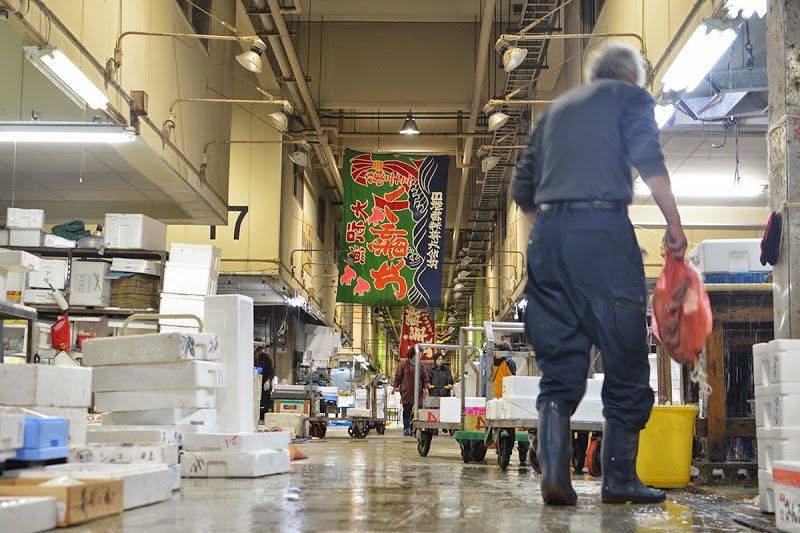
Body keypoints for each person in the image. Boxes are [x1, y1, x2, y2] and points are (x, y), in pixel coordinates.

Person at [511, 43, 687, 506]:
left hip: (547, 238)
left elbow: (522, 190)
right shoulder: (629, 99)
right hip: (604, 235)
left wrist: (554, 229)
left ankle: (555, 475)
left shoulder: (551, 115)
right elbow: (650, 162)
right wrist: (674, 224)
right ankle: (618, 480)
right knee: (626, 360)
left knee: (561, 365)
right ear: (630, 77)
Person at [392, 346, 429, 436]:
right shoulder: (404, 364)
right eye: (419, 354)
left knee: (416, 412)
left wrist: (426, 388)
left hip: (418, 393)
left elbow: (425, 378)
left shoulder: (421, 365)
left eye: (421, 354)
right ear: (413, 354)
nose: (420, 356)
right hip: (406, 392)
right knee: (407, 410)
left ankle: (413, 428)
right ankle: (406, 428)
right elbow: (398, 376)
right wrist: (394, 387)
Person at [255, 346, 275, 421]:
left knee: (263, 402)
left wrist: (268, 381)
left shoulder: (265, 357)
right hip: (252, 384)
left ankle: (262, 419)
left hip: (263, 385)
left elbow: (271, 371)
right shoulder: (248, 356)